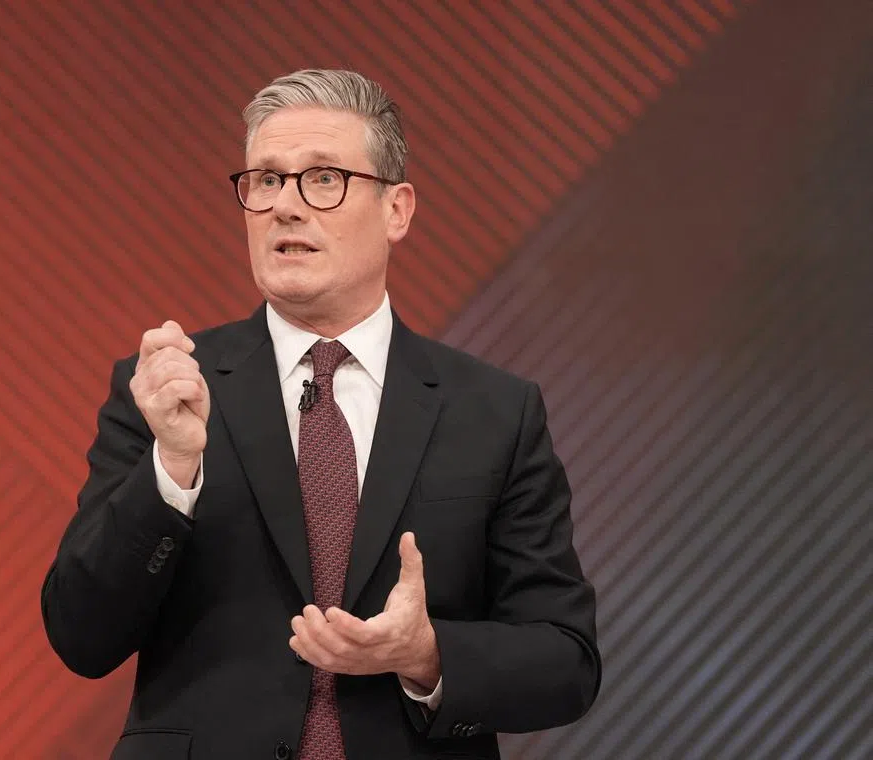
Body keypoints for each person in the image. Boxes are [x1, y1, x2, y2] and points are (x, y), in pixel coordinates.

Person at [41, 68, 600, 760]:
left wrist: (426, 654)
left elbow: (565, 662)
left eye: (324, 179)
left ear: (397, 210)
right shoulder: (165, 391)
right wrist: (172, 471)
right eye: (266, 180)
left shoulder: (493, 411)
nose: (285, 207)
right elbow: (80, 634)